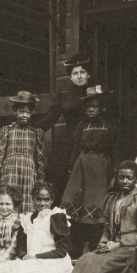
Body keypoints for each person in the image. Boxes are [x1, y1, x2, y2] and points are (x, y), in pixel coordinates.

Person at [60, 85, 117, 256]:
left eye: (95, 107)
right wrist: (72, 167)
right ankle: (77, 245)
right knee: (77, 203)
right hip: (82, 166)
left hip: (100, 168)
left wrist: (114, 170)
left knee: (96, 203)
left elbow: (114, 149)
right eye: (88, 107)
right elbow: (75, 148)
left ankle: (94, 243)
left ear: (102, 108)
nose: (91, 110)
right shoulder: (82, 126)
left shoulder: (109, 126)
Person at [34, 53, 92, 198]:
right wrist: (28, 127)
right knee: (61, 177)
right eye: (75, 73)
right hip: (70, 142)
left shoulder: (94, 96)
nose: (79, 76)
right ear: (70, 77)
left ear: (88, 75)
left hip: (91, 141)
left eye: (82, 72)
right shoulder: (64, 98)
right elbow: (49, 119)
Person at [0, 91, 47, 213]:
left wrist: (41, 179)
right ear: (15, 112)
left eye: (27, 112)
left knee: (27, 202)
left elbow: (41, 158)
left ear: (31, 113)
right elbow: (0, 154)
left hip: (28, 172)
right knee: (9, 199)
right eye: (21, 112)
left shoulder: (36, 133)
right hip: (10, 171)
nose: (24, 115)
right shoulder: (7, 130)